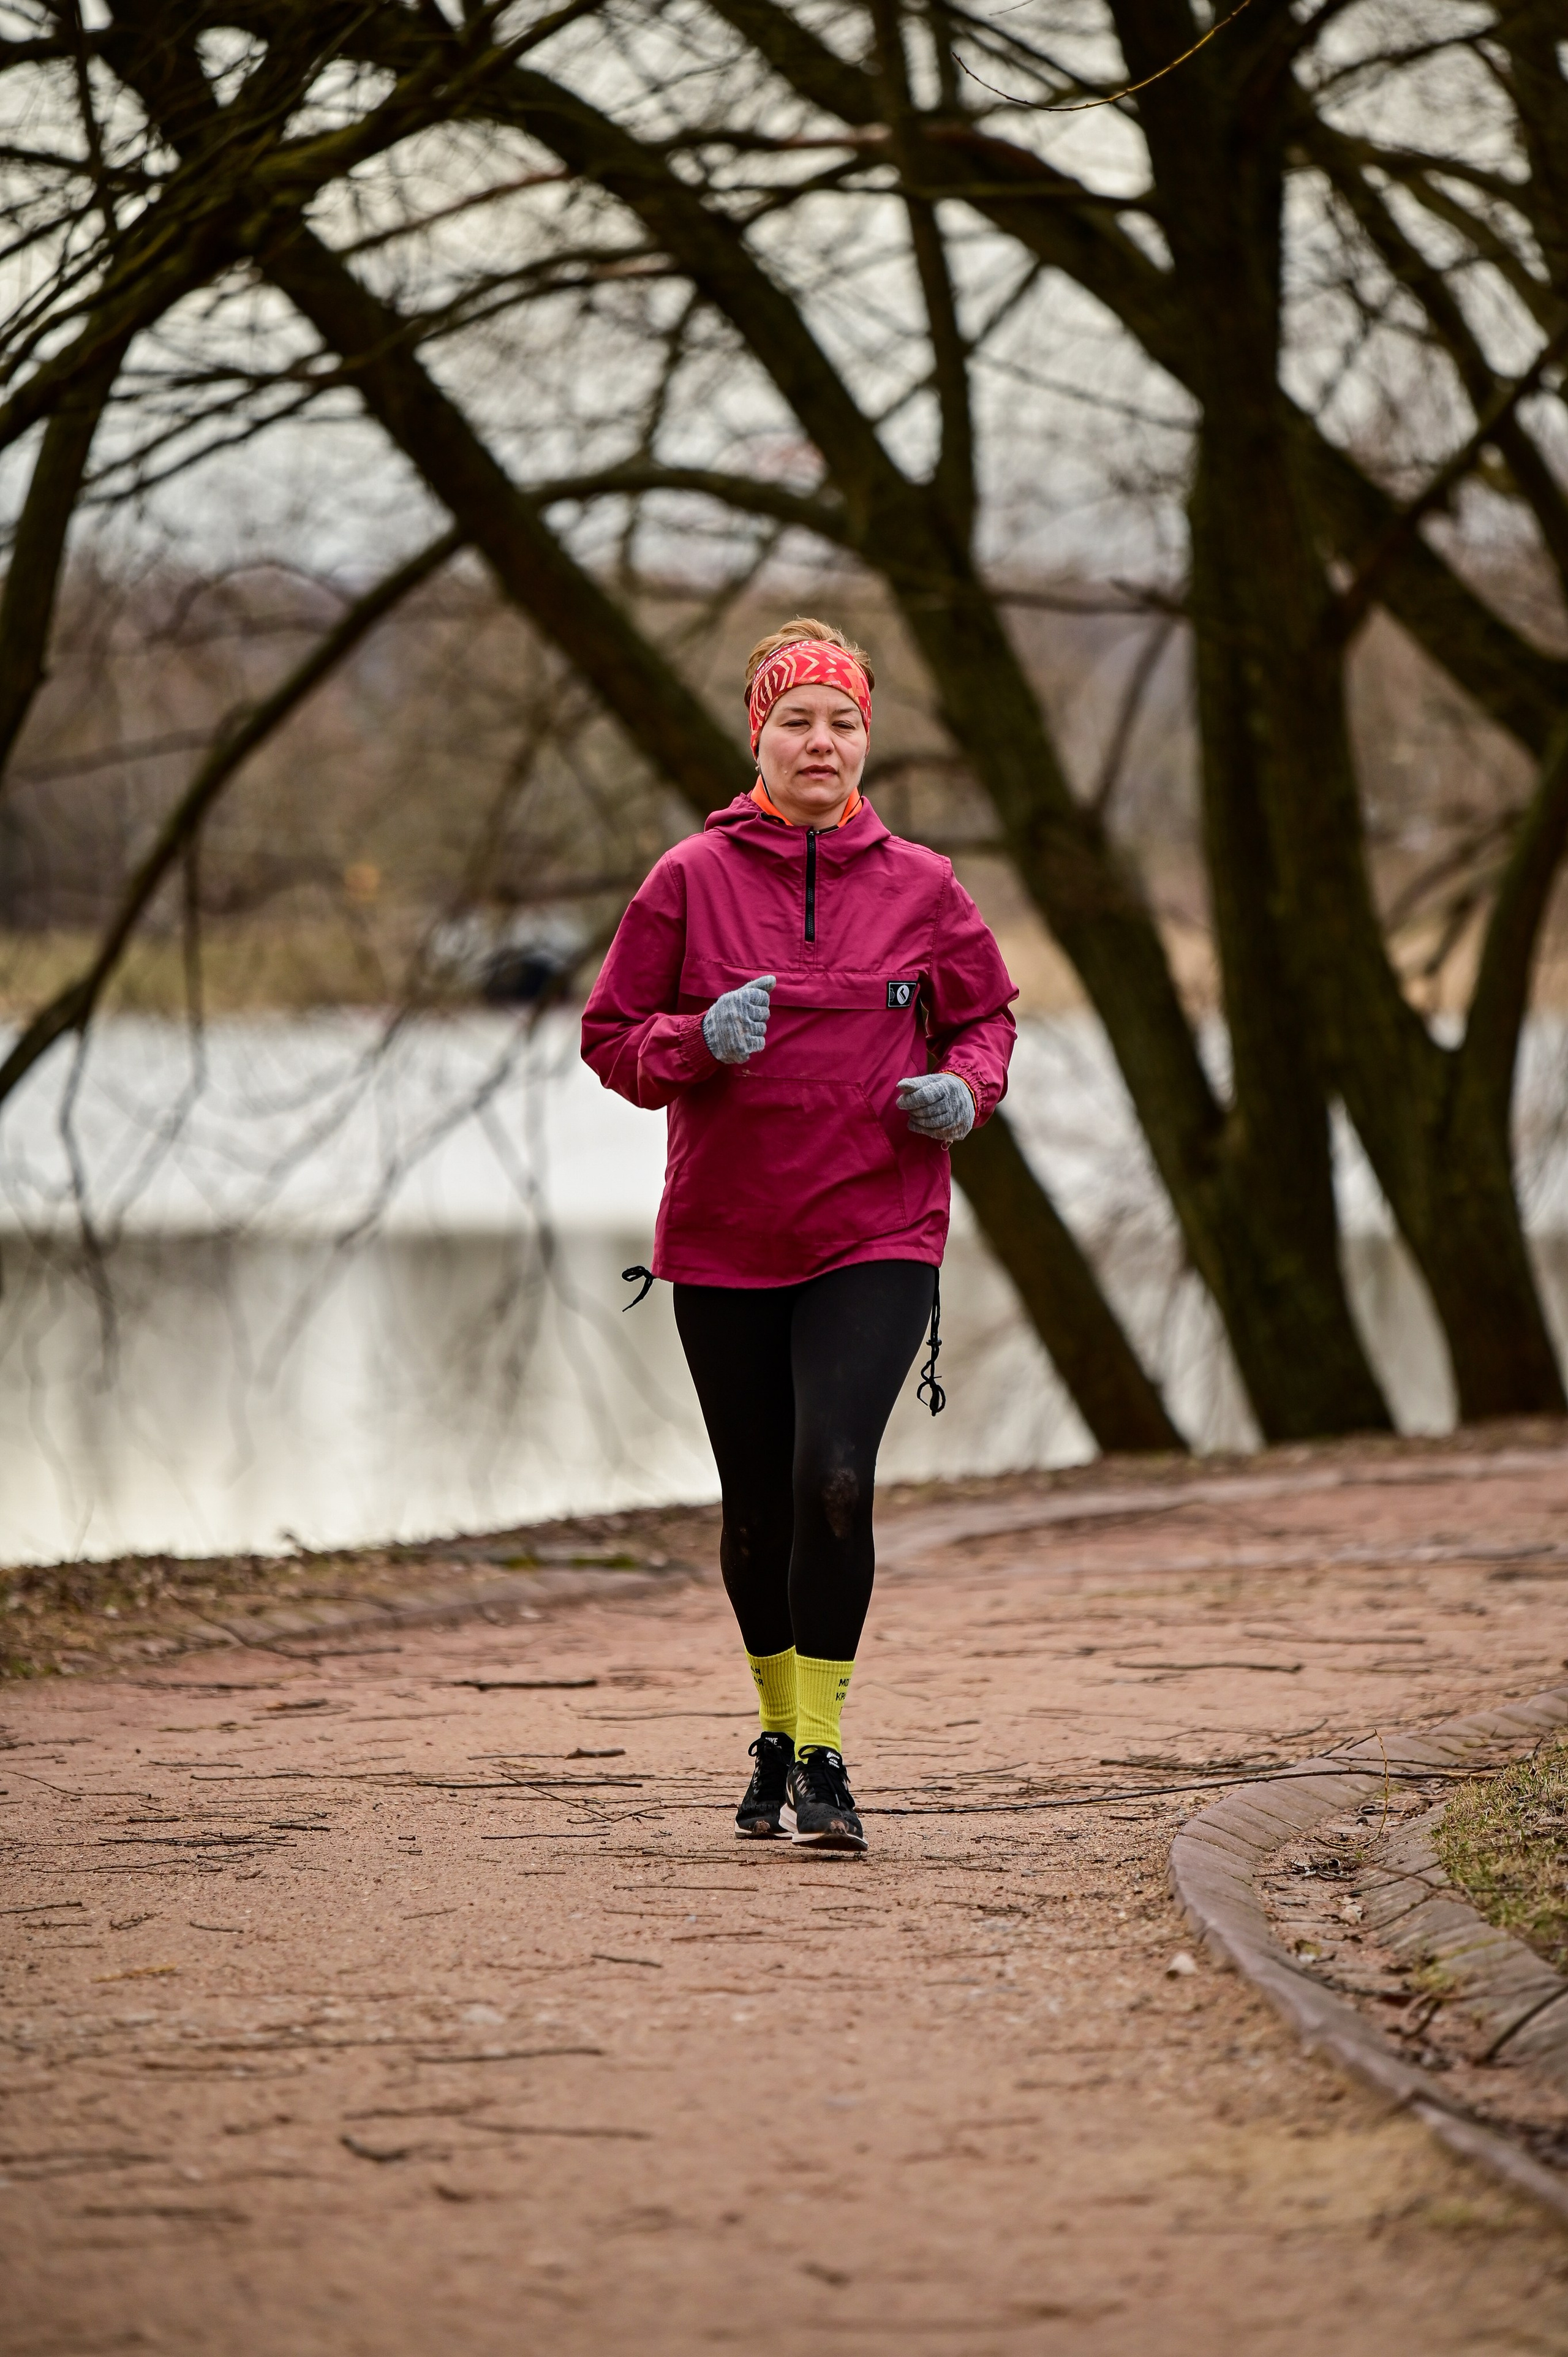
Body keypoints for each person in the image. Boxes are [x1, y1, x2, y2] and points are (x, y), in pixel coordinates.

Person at [581, 619, 1017, 1854]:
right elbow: (610, 1037)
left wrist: (964, 1092)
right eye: (796, 722)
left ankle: (824, 1753)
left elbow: (984, 1019)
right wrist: (691, 1043)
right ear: (757, 736)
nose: (819, 742)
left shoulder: (923, 886)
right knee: (757, 1508)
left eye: (841, 722)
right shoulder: (685, 880)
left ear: (864, 739)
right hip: (723, 1236)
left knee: (833, 1481)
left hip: (876, 1222)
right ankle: (772, 1728)